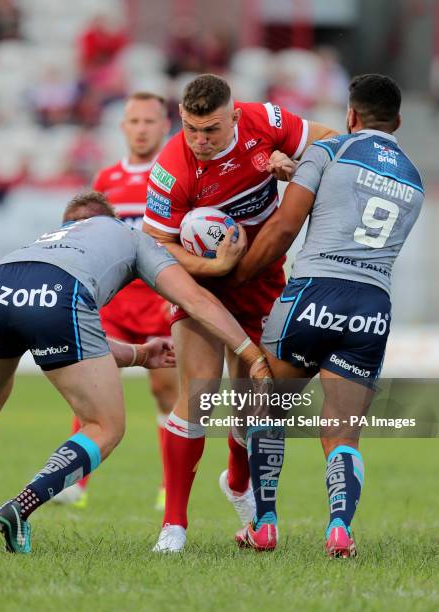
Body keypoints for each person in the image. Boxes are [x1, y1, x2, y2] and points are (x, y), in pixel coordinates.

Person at [0, 191, 270, 553]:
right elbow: (196, 301)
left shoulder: (47, 243)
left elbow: (80, 344)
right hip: (60, 291)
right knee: (105, 426)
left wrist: (141, 354)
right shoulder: (131, 236)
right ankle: (21, 507)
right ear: (107, 218)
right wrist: (251, 353)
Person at [231, 74, 423, 557]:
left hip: (314, 292)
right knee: (343, 428)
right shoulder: (414, 178)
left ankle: (266, 521)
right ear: (397, 122)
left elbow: (283, 228)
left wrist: (238, 277)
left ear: (351, 115)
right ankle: (339, 527)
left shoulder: (332, 150)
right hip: (372, 306)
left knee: (269, 403)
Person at [142, 73, 336, 552]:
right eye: (191, 128)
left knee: (259, 402)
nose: (200, 140)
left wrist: (296, 165)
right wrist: (213, 264)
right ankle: (174, 526)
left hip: (265, 280)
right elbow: (156, 245)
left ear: (235, 115)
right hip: (203, 285)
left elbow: (332, 141)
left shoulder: (266, 121)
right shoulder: (171, 168)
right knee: (200, 394)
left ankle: (236, 481)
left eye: (211, 129)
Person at [53, 92, 174, 510]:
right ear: (123, 127)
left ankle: (169, 487)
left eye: (149, 121)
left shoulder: (173, 175)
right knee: (92, 388)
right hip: (114, 305)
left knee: (165, 391)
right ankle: (75, 485)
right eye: (134, 121)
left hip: (158, 302)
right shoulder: (106, 180)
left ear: (164, 126)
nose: (141, 128)